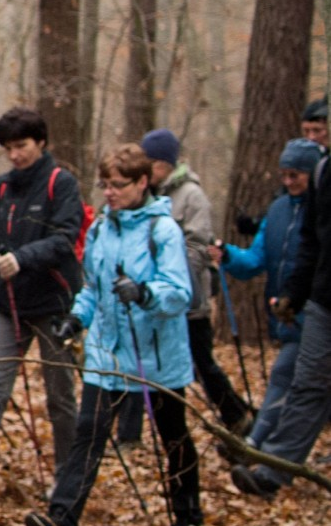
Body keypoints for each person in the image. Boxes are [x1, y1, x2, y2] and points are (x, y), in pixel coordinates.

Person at [29, 144, 199, 526]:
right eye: (104, 184)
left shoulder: (163, 230)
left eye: (118, 185)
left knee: (173, 433)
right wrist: (76, 318)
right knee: (89, 430)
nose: (109, 193)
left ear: (142, 183)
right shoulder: (103, 228)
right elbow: (92, 288)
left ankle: (187, 511)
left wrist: (144, 293)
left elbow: (178, 293)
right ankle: (63, 517)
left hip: (156, 355)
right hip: (107, 352)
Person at [0, 107, 85, 499]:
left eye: (21, 146)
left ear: (40, 143)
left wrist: (23, 258)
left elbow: (65, 238)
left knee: (59, 395)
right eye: (8, 148)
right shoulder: (2, 189)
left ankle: (66, 477)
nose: (15, 155)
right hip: (11, 305)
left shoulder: (61, 183)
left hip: (56, 303)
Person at [228, 130, 331, 500]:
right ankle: (272, 472)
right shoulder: (323, 174)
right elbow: (310, 243)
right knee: (307, 384)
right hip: (323, 301)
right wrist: (293, 295)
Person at [134, 129, 252, 435]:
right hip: (158, 296)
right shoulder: (151, 195)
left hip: (190, 298)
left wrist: (171, 273)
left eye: (152, 163)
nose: (147, 169)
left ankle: (238, 416)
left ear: (165, 164)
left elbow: (198, 246)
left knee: (202, 363)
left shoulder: (191, 196)